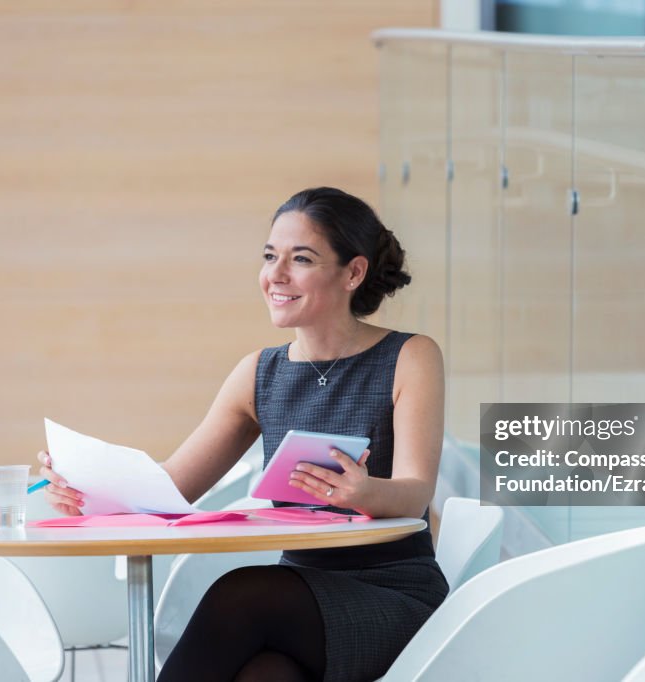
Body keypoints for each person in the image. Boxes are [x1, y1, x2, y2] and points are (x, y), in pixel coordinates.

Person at [38, 186, 448, 682]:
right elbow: (170, 488)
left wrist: (364, 492)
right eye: (270, 256)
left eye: (300, 259)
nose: (275, 275)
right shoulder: (258, 373)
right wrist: (84, 489)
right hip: (298, 596)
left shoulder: (410, 357)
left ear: (353, 273)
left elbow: (415, 493)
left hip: (392, 593)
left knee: (241, 593)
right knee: (265, 674)